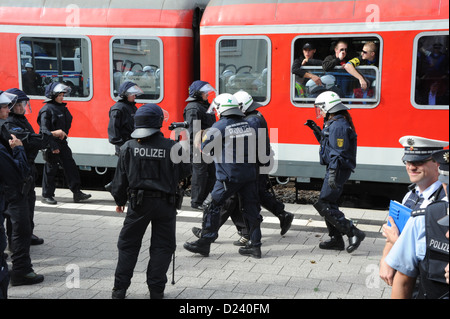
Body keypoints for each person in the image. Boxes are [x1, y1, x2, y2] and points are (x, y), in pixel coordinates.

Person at [110, 104, 190, 299]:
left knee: (128, 245)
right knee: (162, 246)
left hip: (138, 204)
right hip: (166, 205)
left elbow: (120, 179)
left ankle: (119, 290)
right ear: (158, 123)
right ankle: (156, 291)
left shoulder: (129, 146)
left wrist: (119, 200)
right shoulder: (173, 147)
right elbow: (186, 174)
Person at [183, 93, 263, 258]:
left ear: (221, 109)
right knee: (251, 209)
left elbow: (205, 151)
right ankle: (255, 246)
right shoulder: (248, 124)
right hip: (250, 174)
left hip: (229, 176)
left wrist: (200, 140)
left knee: (210, 205)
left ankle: (204, 243)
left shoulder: (219, 126)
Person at [379, 136, 448, 286]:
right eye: (408, 162)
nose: (411, 167)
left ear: (437, 163)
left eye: (418, 162)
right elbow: (393, 231)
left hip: (429, 282)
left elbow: (434, 251)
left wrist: (397, 244)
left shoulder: (442, 204)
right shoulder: (410, 196)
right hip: (407, 277)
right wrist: (385, 259)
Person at [305, 91, 365, 253]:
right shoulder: (334, 122)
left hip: (337, 168)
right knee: (328, 203)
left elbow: (338, 152)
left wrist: (332, 174)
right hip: (335, 167)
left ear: (328, 107)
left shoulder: (338, 126)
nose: (320, 111)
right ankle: (336, 240)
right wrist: (316, 130)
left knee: (324, 203)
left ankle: (353, 232)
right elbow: (329, 145)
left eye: (321, 108)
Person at [1, 90, 36, 296]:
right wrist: (20, 148)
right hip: (14, 191)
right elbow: (18, 171)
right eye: (4, 107)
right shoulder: (7, 129)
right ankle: (21, 271)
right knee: (21, 229)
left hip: (8, 192)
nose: (8, 110)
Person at [37, 82, 91, 205]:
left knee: (70, 167)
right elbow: (44, 131)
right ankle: (46, 195)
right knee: (50, 170)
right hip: (51, 144)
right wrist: (52, 146)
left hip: (62, 143)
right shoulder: (47, 110)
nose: (62, 97)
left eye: (63, 94)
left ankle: (77, 193)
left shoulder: (62, 108)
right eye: (60, 95)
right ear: (53, 95)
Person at [183, 80, 217, 210]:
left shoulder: (203, 106)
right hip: (199, 147)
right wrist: (200, 145)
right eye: (204, 93)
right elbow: (194, 130)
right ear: (198, 94)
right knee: (200, 174)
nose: (207, 95)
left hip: (208, 145)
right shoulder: (193, 108)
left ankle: (205, 199)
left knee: (211, 173)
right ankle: (196, 202)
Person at [105, 81, 143, 190]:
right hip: (124, 145)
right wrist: (122, 145)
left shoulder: (131, 107)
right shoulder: (118, 108)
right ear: (125, 95)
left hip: (131, 144)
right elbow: (113, 132)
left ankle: (114, 186)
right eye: (133, 94)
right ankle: (116, 188)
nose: (135, 96)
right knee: (128, 171)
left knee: (127, 170)